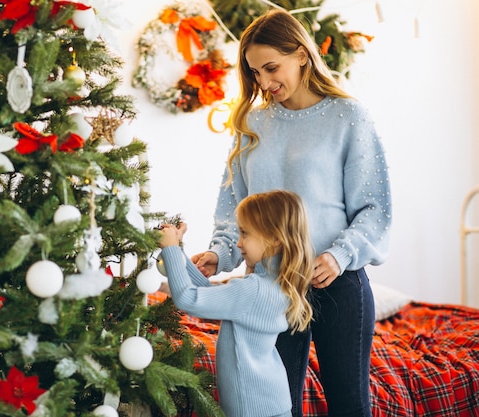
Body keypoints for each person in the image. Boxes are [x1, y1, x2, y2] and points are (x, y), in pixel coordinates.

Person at [191, 9, 392, 417]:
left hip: (335, 283)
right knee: (277, 410)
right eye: (255, 73)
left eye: (271, 68)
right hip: (269, 289)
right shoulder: (251, 122)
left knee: (349, 407)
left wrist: (340, 255)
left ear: (302, 55)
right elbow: (234, 209)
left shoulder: (347, 117)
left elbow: (374, 208)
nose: (264, 83)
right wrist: (220, 252)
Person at [159, 190, 315, 417]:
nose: (239, 243)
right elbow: (206, 293)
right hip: (268, 405)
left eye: (245, 233)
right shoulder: (270, 283)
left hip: (252, 409)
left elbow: (188, 298)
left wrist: (170, 249)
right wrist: (179, 249)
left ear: (274, 238)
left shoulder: (253, 289)